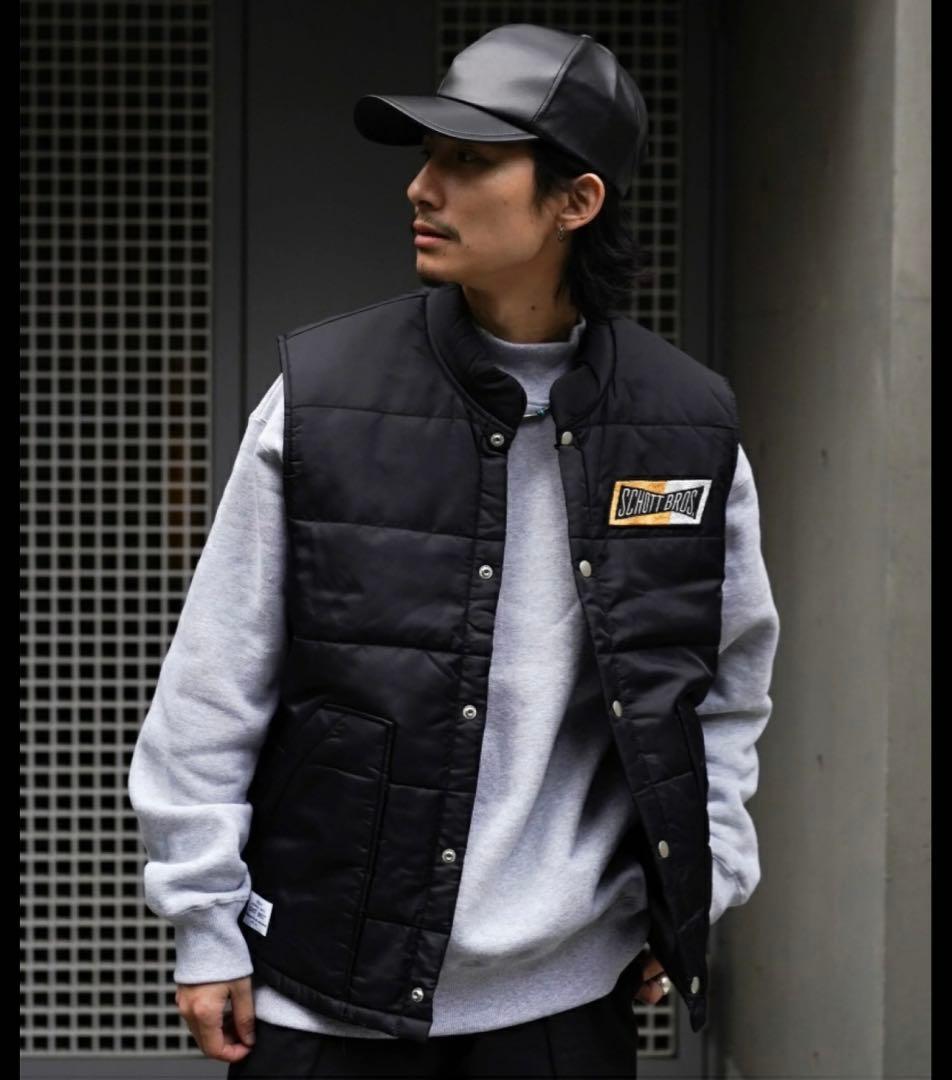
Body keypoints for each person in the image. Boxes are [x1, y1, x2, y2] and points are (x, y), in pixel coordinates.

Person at [127, 22, 780, 1079]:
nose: (421, 188)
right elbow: (214, 683)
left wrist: (695, 887)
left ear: (575, 201)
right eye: (428, 157)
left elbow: (720, 695)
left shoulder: (685, 426)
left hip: (566, 1001)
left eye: (469, 161)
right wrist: (203, 920)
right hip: (324, 997)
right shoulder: (326, 399)